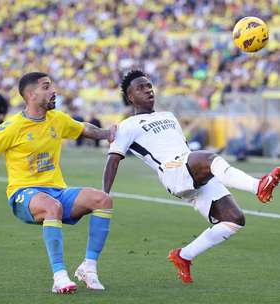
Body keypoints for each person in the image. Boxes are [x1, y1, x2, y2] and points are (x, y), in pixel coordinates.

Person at [102, 70, 280, 284]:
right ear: (130, 97)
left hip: (189, 168)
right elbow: (113, 159)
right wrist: (104, 194)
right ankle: (258, 186)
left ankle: (183, 256)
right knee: (209, 158)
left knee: (234, 220)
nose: (148, 90)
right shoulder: (126, 126)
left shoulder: (168, 116)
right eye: (140, 88)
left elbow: (182, 147)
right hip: (171, 171)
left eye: (149, 85)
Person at [0, 72, 116, 294]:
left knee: (103, 200)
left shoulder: (57, 119)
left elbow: (84, 128)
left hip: (56, 191)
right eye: (47, 86)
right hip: (23, 194)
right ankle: (59, 277)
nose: (54, 91)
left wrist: (109, 133)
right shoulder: (10, 127)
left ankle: (88, 267)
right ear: (31, 94)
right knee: (52, 206)